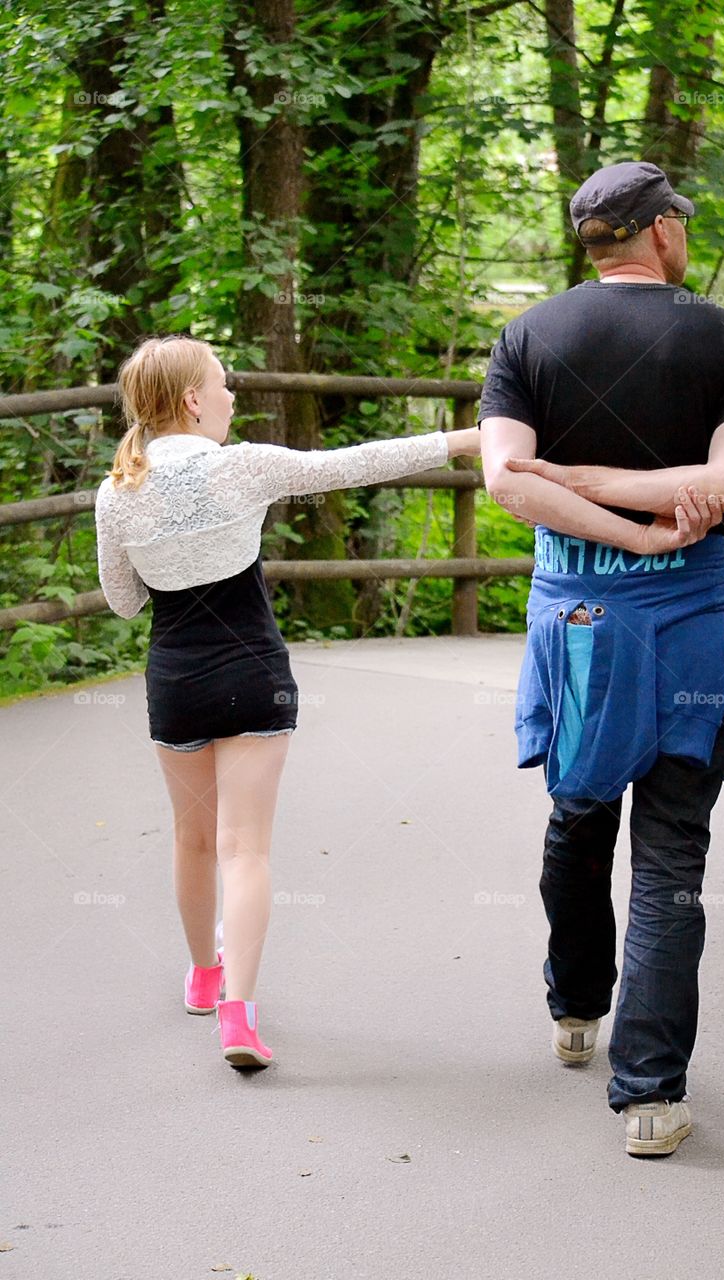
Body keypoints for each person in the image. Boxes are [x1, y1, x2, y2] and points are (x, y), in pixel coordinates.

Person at [478, 160, 724, 1156]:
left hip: (580, 621)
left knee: (579, 803)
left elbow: (509, 482)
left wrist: (574, 484)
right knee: (673, 847)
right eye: (680, 219)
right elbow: (723, 484)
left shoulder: (528, 336)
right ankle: (649, 1093)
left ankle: (574, 1006)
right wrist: (655, 525)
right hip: (691, 614)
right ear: (658, 232)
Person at [95, 334, 480, 1070]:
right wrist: (464, 436)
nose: (233, 395)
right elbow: (359, 463)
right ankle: (237, 1016)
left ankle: (202, 978)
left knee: (193, 841)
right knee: (246, 849)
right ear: (191, 401)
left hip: (174, 679)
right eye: (223, 383)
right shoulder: (244, 467)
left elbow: (121, 603)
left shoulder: (118, 491)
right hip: (252, 672)